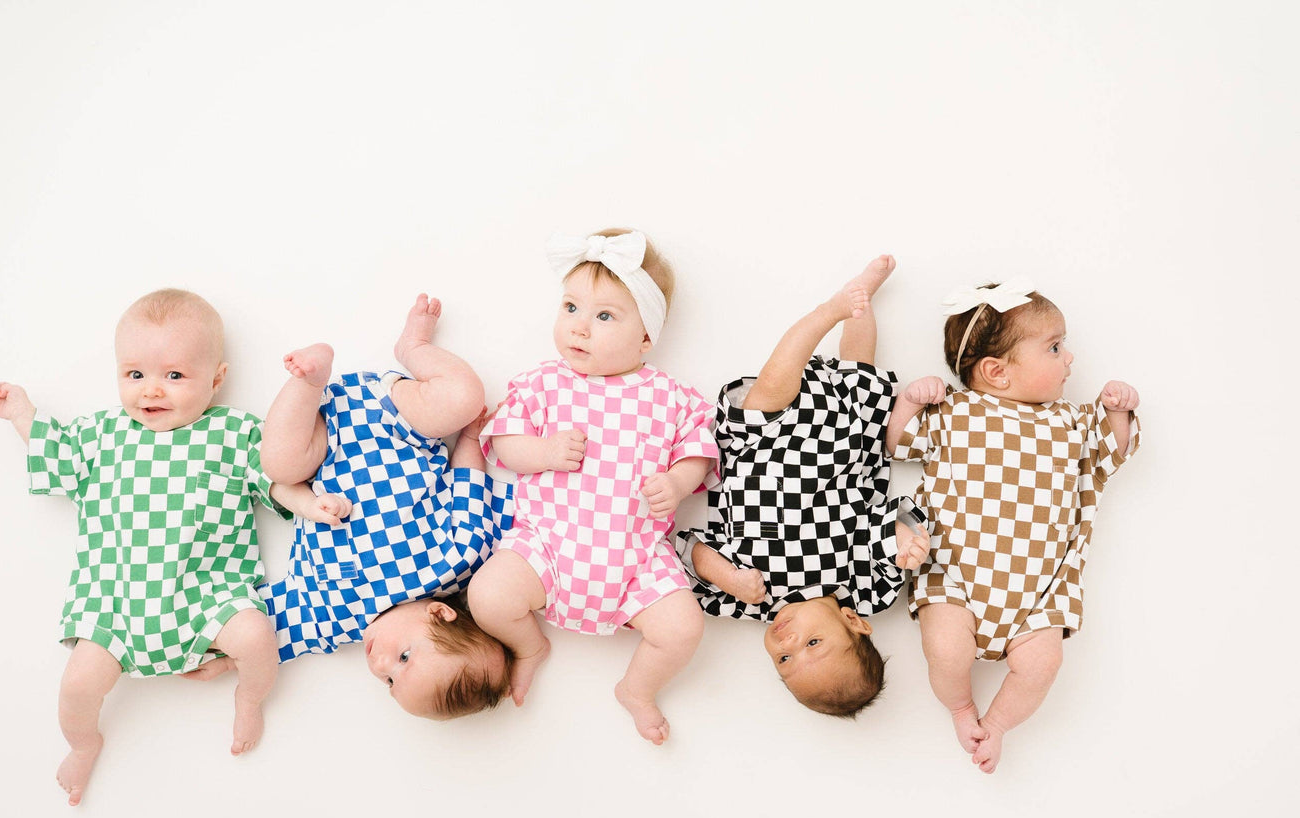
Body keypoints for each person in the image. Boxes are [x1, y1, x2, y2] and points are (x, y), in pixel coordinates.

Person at [0, 289, 341, 805]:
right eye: (135, 375)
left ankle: (249, 696)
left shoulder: (234, 431)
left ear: (217, 378)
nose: (151, 390)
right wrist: (23, 413)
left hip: (210, 597)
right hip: (115, 606)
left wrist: (309, 504)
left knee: (259, 638)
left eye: (174, 376)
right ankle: (84, 744)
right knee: (77, 687)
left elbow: (274, 479)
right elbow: (57, 460)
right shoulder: (101, 434)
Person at [468, 229, 717, 745]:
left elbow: (698, 449)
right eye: (571, 306)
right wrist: (543, 453)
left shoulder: (668, 396)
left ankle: (637, 689)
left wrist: (676, 480)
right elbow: (506, 443)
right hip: (547, 545)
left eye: (605, 316)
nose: (580, 327)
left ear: (646, 336)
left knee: (683, 629)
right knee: (487, 596)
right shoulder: (544, 383)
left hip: (636, 558)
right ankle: (529, 645)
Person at [888, 279, 1140, 772]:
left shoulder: (1069, 420)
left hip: (1040, 591)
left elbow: (1116, 451)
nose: (1070, 358)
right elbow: (897, 444)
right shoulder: (956, 412)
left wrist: (1116, 413)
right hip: (955, 575)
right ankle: (961, 707)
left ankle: (998, 723)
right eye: (1054, 347)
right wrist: (911, 404)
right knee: (945, 648)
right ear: (996, 372)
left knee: (1043, 663)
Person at [674, 256, 928, 718]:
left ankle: (823, 315)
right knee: (862, 373)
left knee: (774, 378)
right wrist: (906, 543)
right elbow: (884, 526)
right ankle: (855, 300)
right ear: (853, 622)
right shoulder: (864, 590)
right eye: (814, 643)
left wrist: (729, 578)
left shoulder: (745, 604)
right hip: (843, 448)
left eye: (786, 660)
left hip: (759, 445)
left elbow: (688, 550)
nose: (789, 642)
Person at [246, 293, 515, 719]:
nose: (379, 665)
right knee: (464, 397)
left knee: (276, 461)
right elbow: (471, 489)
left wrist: (221, 654)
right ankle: (413, 348)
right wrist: (468, 440)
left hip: (320, 447)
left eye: (389, 682)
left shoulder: (337, 616)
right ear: (441, 614)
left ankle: (309, 382)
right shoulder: (458, 559)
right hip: (399, 422)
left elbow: (265, 629)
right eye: (404, 659)